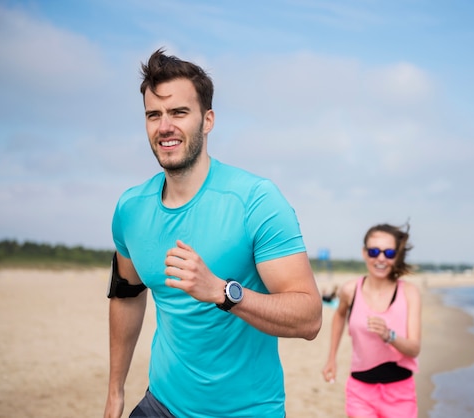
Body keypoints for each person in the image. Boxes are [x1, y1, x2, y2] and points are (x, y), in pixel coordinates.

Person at [103, 48, 322, 418]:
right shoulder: (131, 209)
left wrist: (223, 292)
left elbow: (310, 317)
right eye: (153, 115)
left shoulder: (255, 200)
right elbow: (126, 294)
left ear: (207, 120)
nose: (164, 126)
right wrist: (115, 391)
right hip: (162, 404)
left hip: (247, 410)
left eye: (178, 113)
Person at [322, 223, 421, 418]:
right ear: (364, 252)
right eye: (374, 251)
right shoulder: (350, 290)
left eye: (389, 253)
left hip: (400, 394)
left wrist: (389, 336)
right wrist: (331, 358)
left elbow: (414, 348)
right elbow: (340, 315)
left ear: (396, 256)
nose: (381, 258)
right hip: (360, 393)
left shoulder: (409, 293)